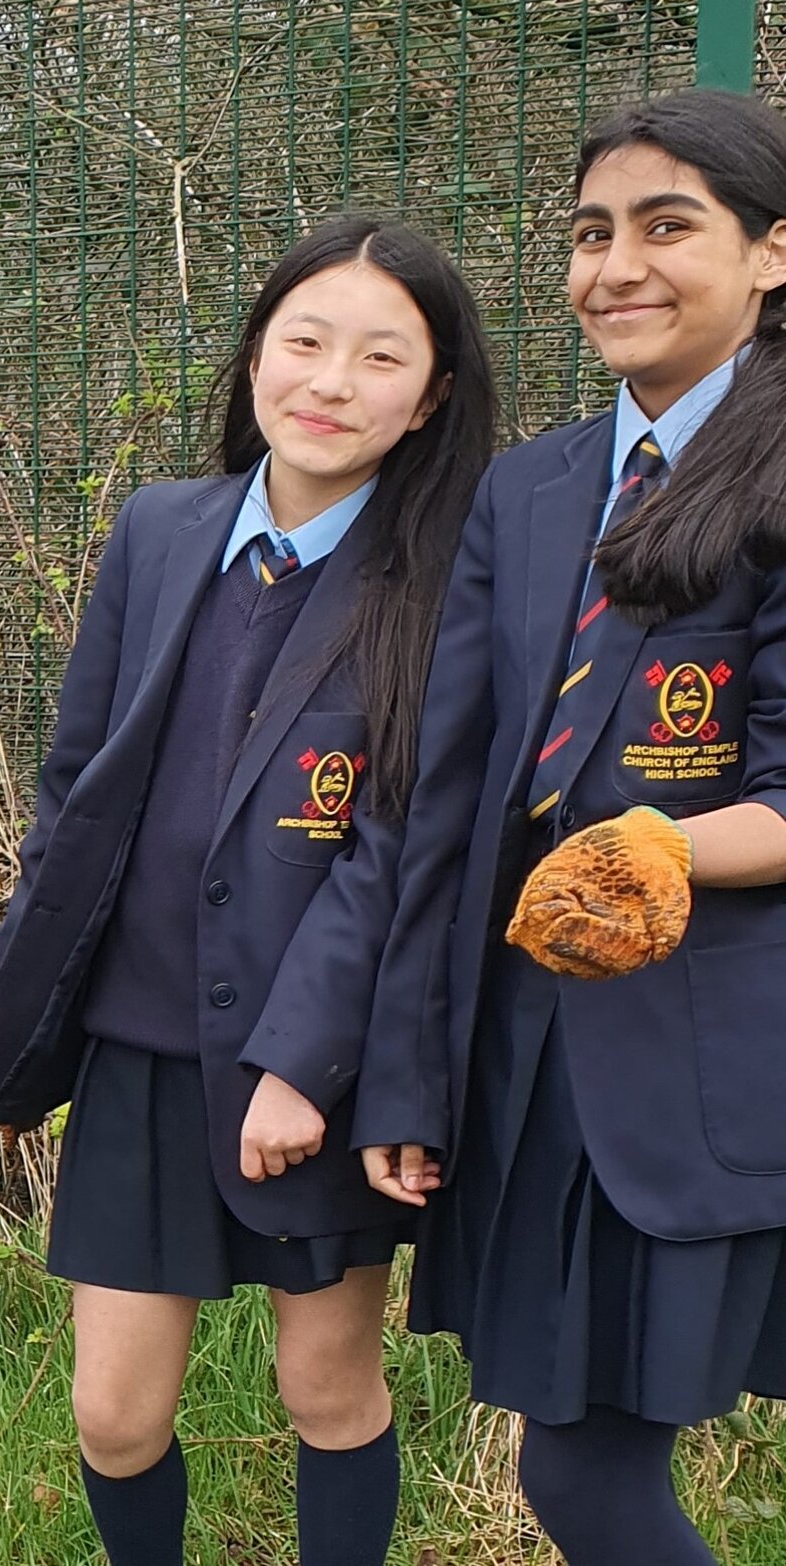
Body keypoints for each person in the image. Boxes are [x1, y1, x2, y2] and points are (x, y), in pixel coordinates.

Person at [0, 217, 493, 1564]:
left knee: (326, 1385)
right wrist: (26, 986)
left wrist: (305, 1064)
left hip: (320, 1064)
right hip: (142, 1048)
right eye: (305, 340)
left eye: (381, 356)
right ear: (257, 349)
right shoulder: (160, 528)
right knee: (114, 1414)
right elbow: (77, 776)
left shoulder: (441, 575)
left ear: (429, 397)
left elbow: (399, 841)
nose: (330, 380)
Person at [369, 88, 786, 1563]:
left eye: (669, 226)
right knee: (580, 1469)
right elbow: (454, 804)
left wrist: (665, 846)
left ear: (774, 251)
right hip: (529, 1057)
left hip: (705, 1065)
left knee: (587, 1479)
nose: (619, 265)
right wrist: (409, 1070)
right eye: (592, 232)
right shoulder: (529, 485)